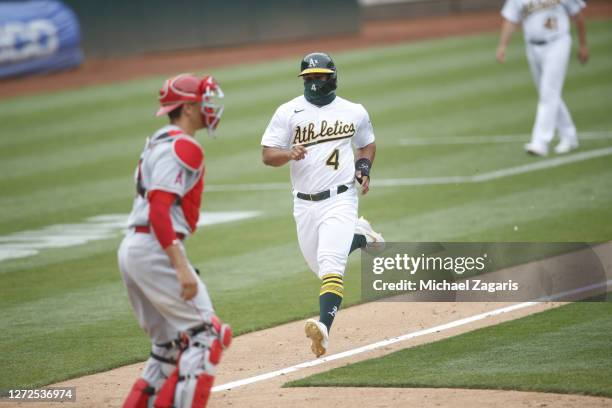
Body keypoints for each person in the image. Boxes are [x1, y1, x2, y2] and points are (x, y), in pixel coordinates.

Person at [119, 73, 232, 408]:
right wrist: (181, 266)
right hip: (154, 249)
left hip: (134, 248)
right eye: (202, 102)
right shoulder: (182, 147)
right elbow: (159, 210)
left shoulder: (158, 140)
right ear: (186, 107)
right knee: (207, 336)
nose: (208, 108)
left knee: (168, 348)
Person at [261, 52, 384, 358]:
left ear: (332, 77)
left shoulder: (353, 111)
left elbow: (367, 142)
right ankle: (361, 237)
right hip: (303, 204)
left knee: (331, 267)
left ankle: (324, 328)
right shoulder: (288, 112)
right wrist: (288, 153)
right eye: (309, 78)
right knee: (320, 266)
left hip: (340, 199)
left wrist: (364, 167)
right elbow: (267, 154)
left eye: (319, 76)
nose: (314, 83)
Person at [496, 0, 589, 156]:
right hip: (532, 47)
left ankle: (540, 142)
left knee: (548, 92)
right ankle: (569, 134)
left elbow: (578, 15)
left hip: (557, 42)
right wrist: (502, 45)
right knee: (548, 93)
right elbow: (511, 19)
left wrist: (583, 45)